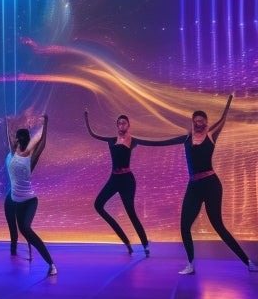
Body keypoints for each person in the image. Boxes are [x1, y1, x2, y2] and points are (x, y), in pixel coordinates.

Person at [142, 94, 257, 275]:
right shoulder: (186, 139)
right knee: (184, 226)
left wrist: (229, 102)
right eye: (196, 120)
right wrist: (139, 141)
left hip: (211, 185)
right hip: (194, 187)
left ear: (206, 122)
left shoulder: (211, 135)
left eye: (201, 120)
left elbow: (223, 119)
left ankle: (248, 262)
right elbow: (161, 143)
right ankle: (190, 264)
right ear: (192, 122)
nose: (198, 123)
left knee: (218, 226)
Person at [84, 110, 152, 256]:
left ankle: (145, 244)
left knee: (130, 212)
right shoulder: (111, 140)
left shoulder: (132, 140)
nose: (121, 125)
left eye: (124, 123)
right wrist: (86, 117)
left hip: (127, 180)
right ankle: (125, 240)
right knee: (98, 205)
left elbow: (153, 142)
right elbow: (93, 134)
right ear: (117, 126)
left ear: (128, 125)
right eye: (119, 123)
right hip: (114, 179)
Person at [5, 115, 57, 277]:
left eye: (17, 139)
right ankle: (18, 249)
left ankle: (51, 264)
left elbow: (43, 143)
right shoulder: (13, 153)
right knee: (22, 230)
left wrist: (46, 123)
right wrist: (8, 125)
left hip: (29, 201)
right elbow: (9, 138)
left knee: (26, 229)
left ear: (21, 140)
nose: (15, 141)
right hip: (16, 201)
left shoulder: (29, 158)